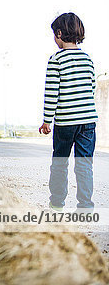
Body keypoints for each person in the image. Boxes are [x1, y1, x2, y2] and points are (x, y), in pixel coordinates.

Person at [39, 12, 97, 209]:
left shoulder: (56, 60)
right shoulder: (87, 59)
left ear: (60, 33)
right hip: (88, 121)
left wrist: (47, 120)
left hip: (65, 122)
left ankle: (56, 203)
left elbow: (51, 93)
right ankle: (86, 207)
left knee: (60, 163)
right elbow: (92, 87)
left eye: (54, 35)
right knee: (84, 165)